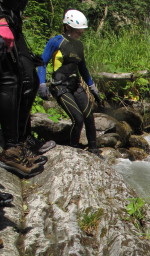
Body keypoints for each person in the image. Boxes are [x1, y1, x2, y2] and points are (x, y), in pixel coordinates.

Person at [37, 9, 101, 155]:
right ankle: (73, 149)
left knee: (89, 116)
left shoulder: (79, 46)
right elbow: (42, 63)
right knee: (78, 119)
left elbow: (83, 68)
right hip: (60, 87)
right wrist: (41, 84)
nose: (80, 33)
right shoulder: (56, 42)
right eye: (78, 31)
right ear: (68, 27)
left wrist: (92, 87)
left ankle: (93, 149)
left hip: (75, 85)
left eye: (81, 31)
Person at [0, 0, 50, 178]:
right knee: (10, 80)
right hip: (3, 17)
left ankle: (20, 142)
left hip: (13, 18)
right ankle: (12, 148)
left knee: (29, 81)